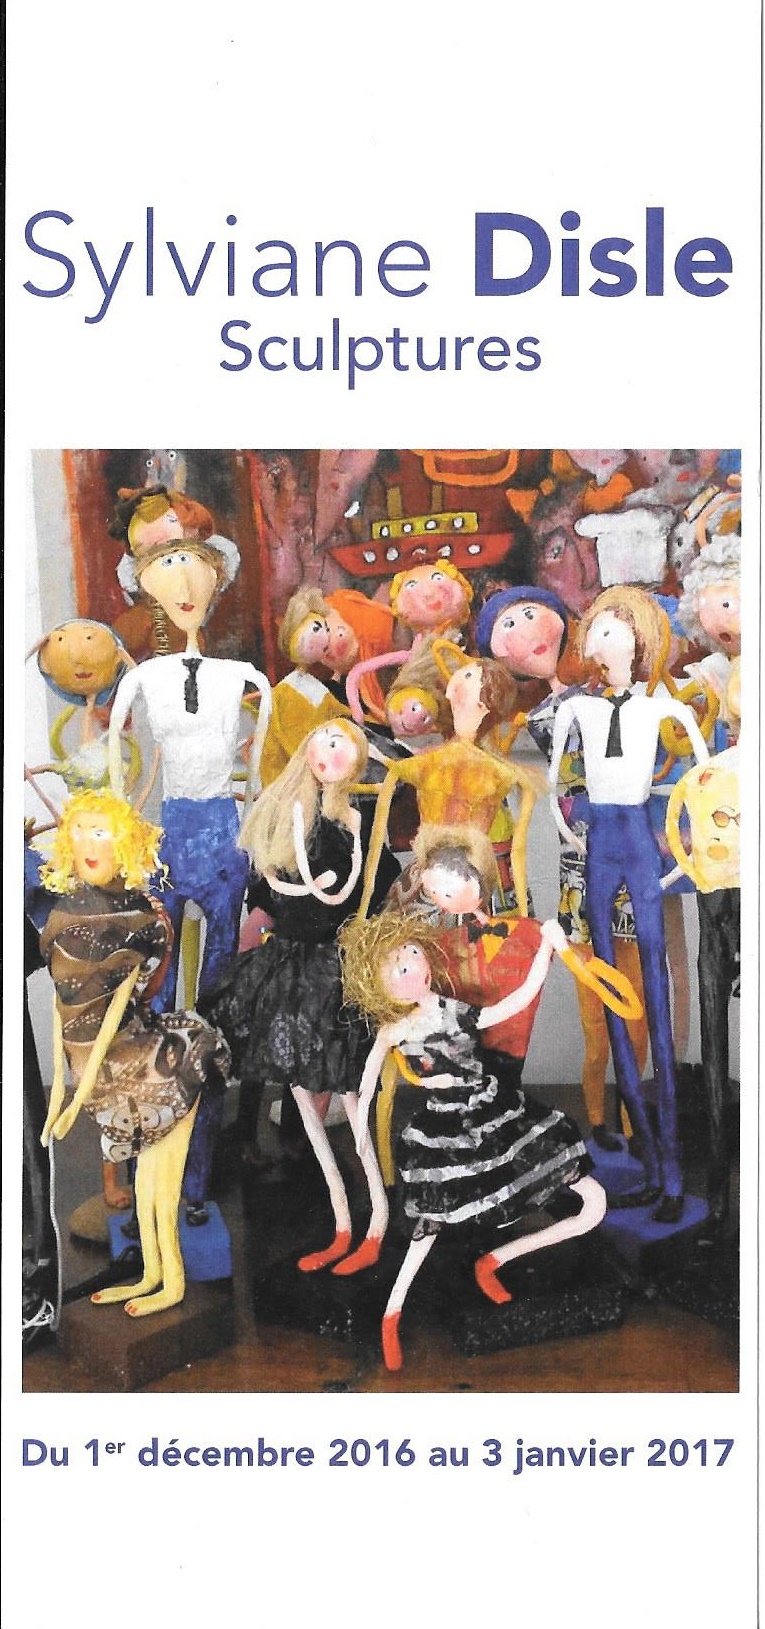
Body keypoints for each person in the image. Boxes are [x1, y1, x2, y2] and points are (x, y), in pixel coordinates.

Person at [338, 909, 608, 1372]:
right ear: (379, 988)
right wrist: (361, 1129)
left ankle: (497, 1259)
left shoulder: (457, 1011)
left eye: (413, 954)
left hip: (496, 1113)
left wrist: (546, 947)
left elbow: (518, 1000)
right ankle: (392, 1312)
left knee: (594, 1201)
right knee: (428, 1227)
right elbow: (366, 1087)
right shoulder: (394, 1031)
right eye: (399, 968)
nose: (414, 966)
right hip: (443, 1133)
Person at [108, 516, 272, 1222]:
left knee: (216, 1008)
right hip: (168, 842)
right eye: (167, 575)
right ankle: (155, 1167)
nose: (184, 589)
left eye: (196, 574)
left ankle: (199, 1177)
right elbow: (118, 781)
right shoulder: (142, 678)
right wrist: (122, 850)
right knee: (155, 1003)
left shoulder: (248, 678)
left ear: (216, 583)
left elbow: (256, 782)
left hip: (225, 843)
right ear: (145, 586)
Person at [201, 720, 400, 1274]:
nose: (332, 752)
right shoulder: (282, 817)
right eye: (325, 740)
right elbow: (266, 895)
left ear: (357, 761)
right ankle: (342, 1223)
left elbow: (376, 888)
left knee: (354, 1104)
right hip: (289, 973)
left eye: (344, 745)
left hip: (340, 971)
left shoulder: (359, 824)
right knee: (308, 1109)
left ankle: (377, 1222)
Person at [548, 587, 710, 1222]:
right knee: (610, 994)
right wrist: (572, 836)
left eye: (612, 628)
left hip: (642, 845)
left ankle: (672, 1175)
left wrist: (685, 852)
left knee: (657, 1002)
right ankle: (644, 1162)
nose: (597, 639)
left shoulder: (665, 709)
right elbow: (556, 783)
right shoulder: (575, 710)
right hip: (599, 849)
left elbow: (702, 779)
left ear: (641, 638)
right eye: (595, 628)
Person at [36, 791, 230, 1317]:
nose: (88, 842)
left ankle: (172, 1282)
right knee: (145, 1178)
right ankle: (149, 1275)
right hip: (111, 1068)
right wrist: (61, 1097)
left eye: (101, 832)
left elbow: (121, 1007)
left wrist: (70, 1105)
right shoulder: (64, 918)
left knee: (160, 1184)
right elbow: (64, 1010)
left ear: (124, 844)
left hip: (159, 1064)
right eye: (80, 829)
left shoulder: (138, 919)